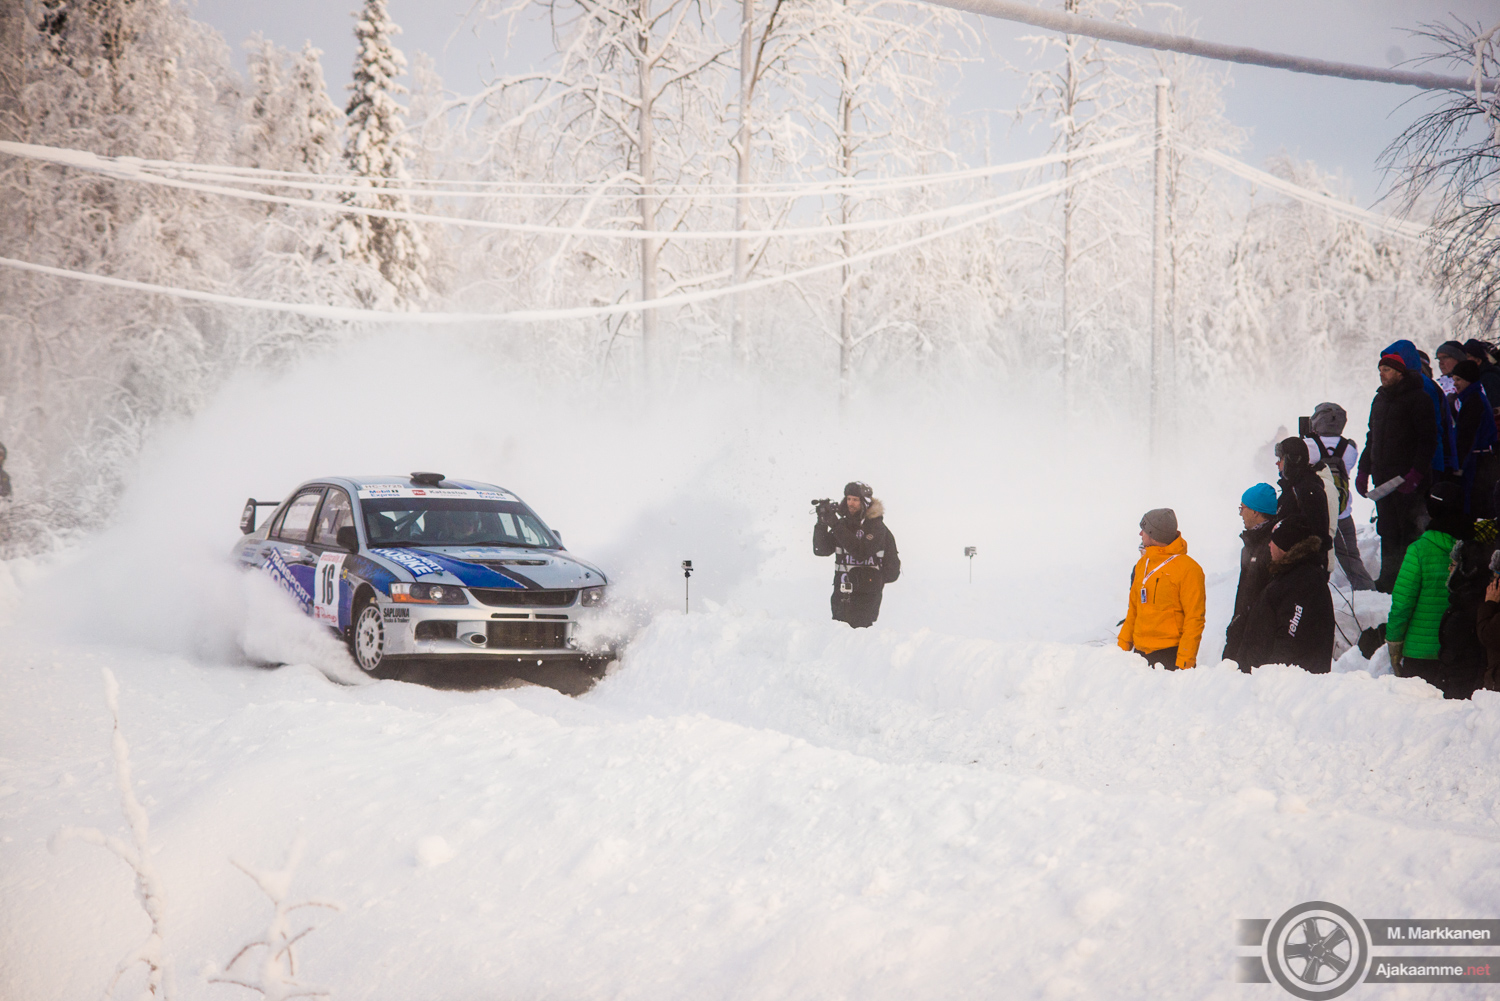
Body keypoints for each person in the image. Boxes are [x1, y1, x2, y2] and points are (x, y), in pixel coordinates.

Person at [1357, 351, 1437, 592]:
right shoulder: (1379, 400)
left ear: (1400, 373)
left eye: (1387, 370)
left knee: (1410, 530)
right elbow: (1372, 437)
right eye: (1380, 370)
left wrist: (1416, 474)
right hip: (1382, 480)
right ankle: (1388, 579)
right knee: (1387, 529)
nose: (1382, 374)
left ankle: (1409, 581)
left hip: (1407, 480)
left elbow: (1428, 440)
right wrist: (1363, 470)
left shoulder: (1419, 399)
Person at [1387, 481, 1471, 694]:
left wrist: (1394, 643)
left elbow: (1402, 603)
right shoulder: (1473, 548)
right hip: (1462, 652)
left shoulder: (1419, 550)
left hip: (1420, 654)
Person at [1236, 515, 1336, 674]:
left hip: (1285, 684)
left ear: (1284, 546)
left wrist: (1270, 680)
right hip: (1263, 681)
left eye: (1273, 541)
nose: (1269, 545)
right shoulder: (1288, 575)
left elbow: (1290, 642)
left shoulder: (1303, 583)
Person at [1118, 508, 1206, 670]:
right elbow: (1133, 610)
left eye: (1144, 530)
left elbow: (1194, 619)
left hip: (1170, 656)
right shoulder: (1143, 564)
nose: (1140, 534)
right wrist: (1121, 648)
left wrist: (1185, 662)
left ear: (1154, 534)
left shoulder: (1189, 569)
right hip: (1139, 655)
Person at [1307, 403, 1376, 590]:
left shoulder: (1308, 446)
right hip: (1342, 513)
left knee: (1310, 557)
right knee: (1351, 557)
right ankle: (1366, 590)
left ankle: (1313, 592)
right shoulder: (1349, 448)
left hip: (1315, 515)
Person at [812, 481, 895, 628]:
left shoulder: (876, 527)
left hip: (866, 593)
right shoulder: (843, 525)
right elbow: (821, 550)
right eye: (848, 499)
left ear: (865, 502)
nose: (851, 503)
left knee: (860, 633)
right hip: (842, 591)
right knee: (840, 632)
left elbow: (861, 553)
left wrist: (836, 525)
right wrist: (822, 524)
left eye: (855, 500)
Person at [1223, 484, 1277, 665]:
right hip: (1244, 629)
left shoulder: (1270, 546)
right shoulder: (1252, 543)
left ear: (1255, 512)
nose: (1240, 513)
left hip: (1257, 635)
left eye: (1243, 508)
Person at [1275, 437, 1337, 572]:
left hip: (1303, 568)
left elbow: (1318, 535)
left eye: (1281, 459)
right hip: (1291, 564)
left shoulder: (1308, 489)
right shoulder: (1292, 487)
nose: (1277, 463)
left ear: (1293, 460)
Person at [1449, 359, 1498, 516]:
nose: (1455, 384)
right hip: (1480, 460)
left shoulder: (1473, 401)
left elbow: (1467, 437)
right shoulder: (1473, 398)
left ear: (1468, 380)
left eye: (1458, 379)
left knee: (1475, 506)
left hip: (1477, 464)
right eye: (1454, 379)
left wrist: (1458, 466)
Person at [1464, 339, 1500, 415]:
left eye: (1468, 356)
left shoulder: (1489, 378)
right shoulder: (1478, 378)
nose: (1465, 360)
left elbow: (1496, 408)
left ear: (1478, 360)